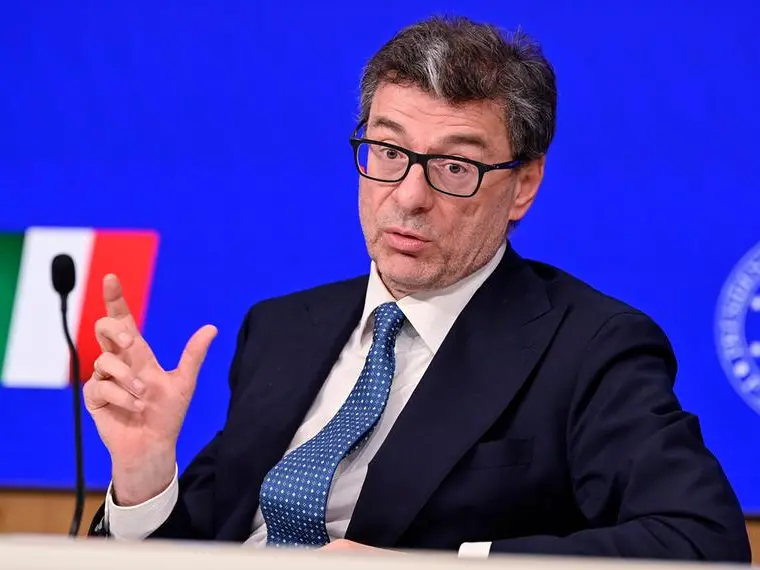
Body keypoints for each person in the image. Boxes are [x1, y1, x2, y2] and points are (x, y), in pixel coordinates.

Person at [85, 15, 751, 561]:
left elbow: (701, 541)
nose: (408, 196)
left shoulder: (588, 348)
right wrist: (145, 475)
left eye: (455, 165)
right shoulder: (283, 328)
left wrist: (432, 569)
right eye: (389, 151)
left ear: (523, 185)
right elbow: (200, 548)